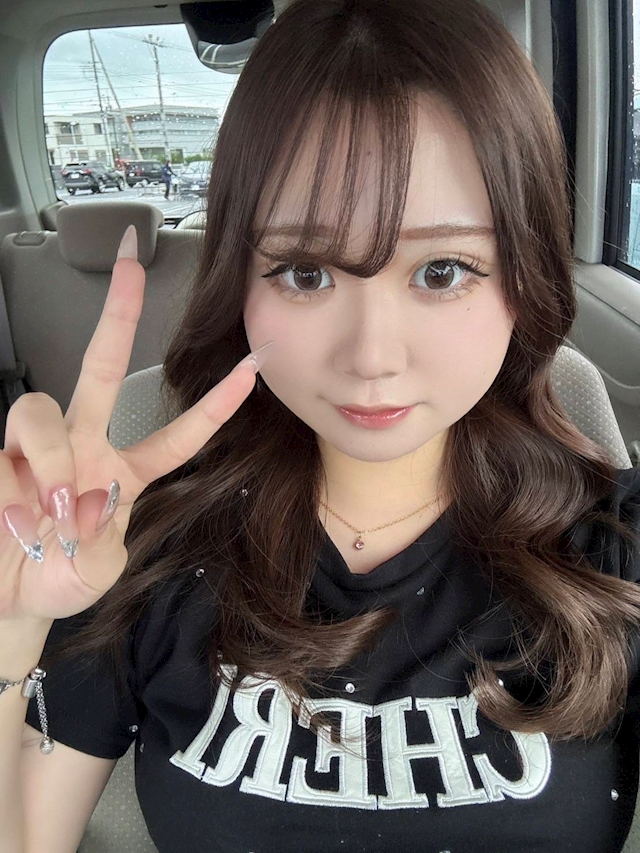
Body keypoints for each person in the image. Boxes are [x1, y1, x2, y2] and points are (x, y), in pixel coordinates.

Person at [2, 0, 640, 850]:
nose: (371, 356)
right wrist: (13, 620)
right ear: (241, 281)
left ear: (523, 277)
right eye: (306, 272)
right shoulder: (137, 547)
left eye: (442, 270)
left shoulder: (612, 547)